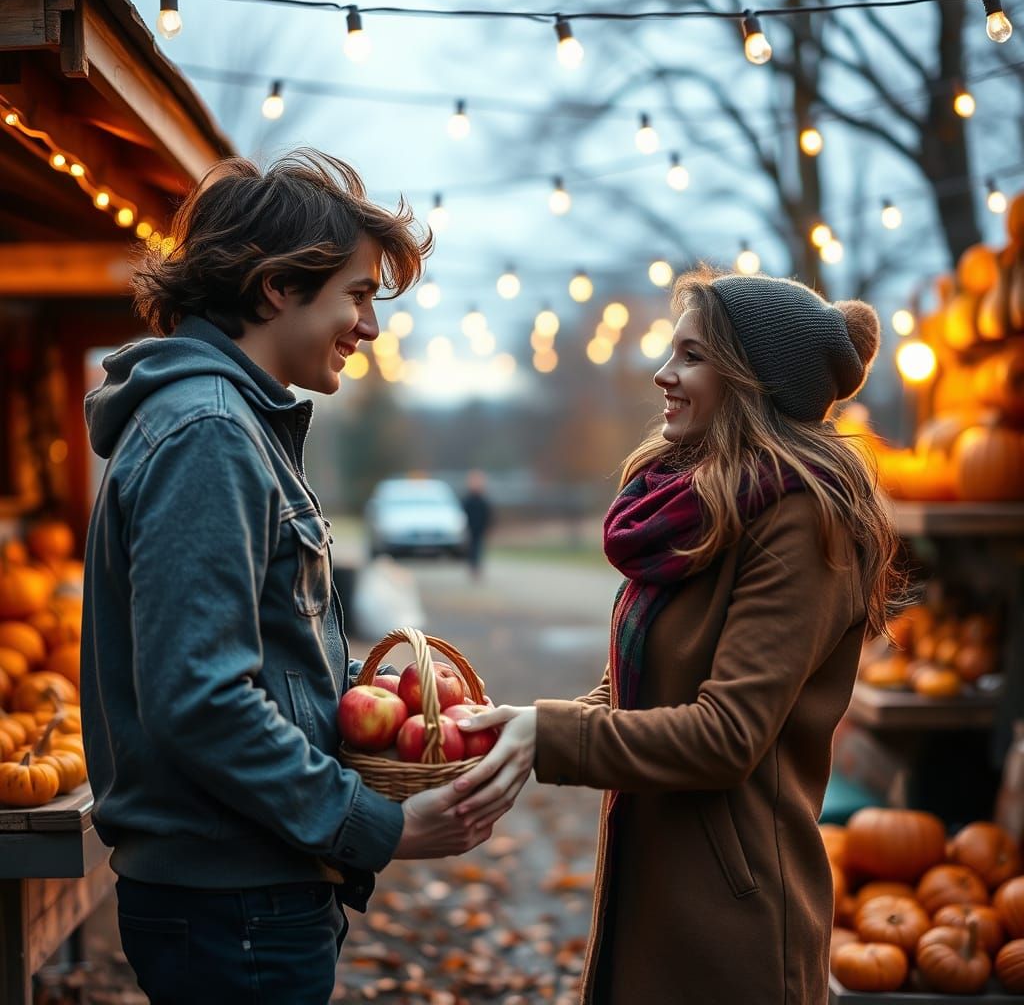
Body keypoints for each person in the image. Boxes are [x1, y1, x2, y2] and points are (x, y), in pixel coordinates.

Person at [80, 150, 503, 1005]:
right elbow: (202, 698)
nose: (371, 327)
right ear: (278, 286)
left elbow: (245, 660)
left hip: (245, 888)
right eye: (357, 294)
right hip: (232, 897)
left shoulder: (230, 422)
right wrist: (380, 825)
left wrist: (365, 702)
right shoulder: (209, 433)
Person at [455, 266, 904, 1004]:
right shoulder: (699, 507)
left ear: (751, 379)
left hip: (732, 924)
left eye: (691, 356)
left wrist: (550, 737)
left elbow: (728, 735)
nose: (663, 374)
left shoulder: (802, 522)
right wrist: (520, 727)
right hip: (654, 875)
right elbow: (639, 681)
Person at [460, 469, 494, 577]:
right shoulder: (467, 500)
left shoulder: (483, 500)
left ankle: (477, 567)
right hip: (470, 527)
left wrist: (488, 526)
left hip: (480, 527)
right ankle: (472, 567)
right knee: (471, 549)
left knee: (478, 548)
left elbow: (488, 514)